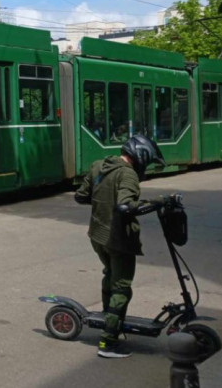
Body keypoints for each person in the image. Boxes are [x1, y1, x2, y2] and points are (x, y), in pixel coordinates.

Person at [74, 134, 165, 358]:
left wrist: (101, 201)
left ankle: (110, 321)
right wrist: (155, 203)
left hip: (97, 235)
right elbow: (126, 206)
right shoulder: (128, 175)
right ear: (140, 155)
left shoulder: (98, 166)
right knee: (121, 287)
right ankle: (108, 342)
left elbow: (81, 196)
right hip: (118, 240)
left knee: (110, 275)